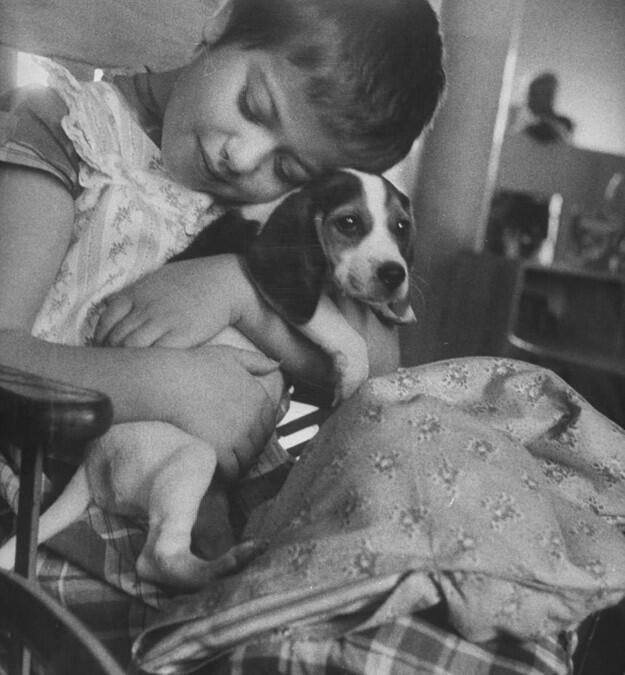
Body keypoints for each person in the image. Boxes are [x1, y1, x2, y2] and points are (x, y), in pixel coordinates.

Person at [0, 0, 445, 603]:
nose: (242, 157)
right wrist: (172, 385)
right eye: (254, 106)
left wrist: (236, 292)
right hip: (39, 510)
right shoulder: (67, 131)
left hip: (198, 514)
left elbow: (379, 368)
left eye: (290, 166)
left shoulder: (270, 210)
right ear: (222, 22)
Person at [512, 71, 575, 144]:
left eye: (535, 94)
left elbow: (559, 140)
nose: (530, 99)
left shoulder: (564, 123)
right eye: (530, 94)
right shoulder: (517, 118)